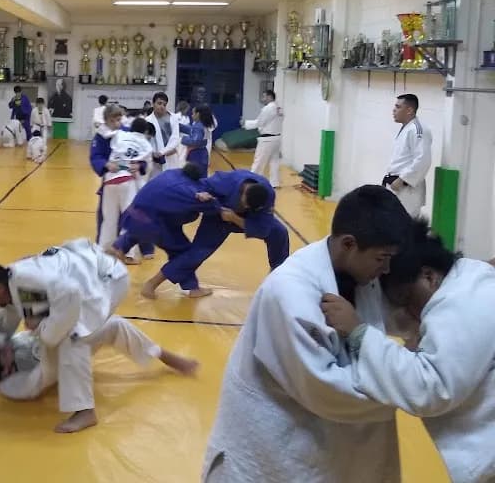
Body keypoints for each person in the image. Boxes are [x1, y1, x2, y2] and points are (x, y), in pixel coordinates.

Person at [202, 185, 412, 483]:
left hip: (322, 443)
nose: (387, 268)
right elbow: (326, 389)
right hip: (272, 443)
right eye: (382, 258)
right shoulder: (290, 293)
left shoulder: (362, 276)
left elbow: (398, 316)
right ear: (349, 244)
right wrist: (414, 385)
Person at [322, 221, 495, 483]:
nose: (408, 313)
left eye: (406, 299)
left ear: (429, 277)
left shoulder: (466, 302)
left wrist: (359, 334)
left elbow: (432, 388)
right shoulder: (467, 280)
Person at [0, 238, 198, 433]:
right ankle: (164, 355)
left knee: (71, 336)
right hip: (89, 277)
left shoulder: (21, 287)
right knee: (103, 328)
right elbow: (4, 337)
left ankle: (84, 411)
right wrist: (42, 329)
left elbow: (68, 295)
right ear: (5, 370)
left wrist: (43, 329)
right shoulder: (17, 385)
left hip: (105, 282)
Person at [0, 299, 198, 432]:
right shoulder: (18, 387)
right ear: (4, 370)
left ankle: (162, 354)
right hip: (52, 364)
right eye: (3, 353)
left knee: (112, 323)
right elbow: (51, 357)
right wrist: (43, 321)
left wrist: (12, 292)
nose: (5, 346)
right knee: (75, 341)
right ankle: (85, 412)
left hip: (45, 346)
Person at [137, 169, 289, 299]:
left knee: (279, 232)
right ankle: (152, 283)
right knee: (198, 252)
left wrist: (235, 218)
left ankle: (278, 277)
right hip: (219, 217)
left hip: (243, 219)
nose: (245, 208)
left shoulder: (267, 194)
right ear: (243, 193)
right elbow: (200, 185)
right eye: (244, 205)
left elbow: (262, 228)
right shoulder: (227, 181)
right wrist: (201, 194)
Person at [90, 105, 153, 264]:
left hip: (127, 179)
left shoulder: (125, 132)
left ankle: (130, 252)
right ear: (106, 120)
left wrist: (139, 165)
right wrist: (105, 164)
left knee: (130, 217)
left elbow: (141, 155)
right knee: (108, 218)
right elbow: (95, 157)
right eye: (113, 120)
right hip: (110, 179)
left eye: (119, 119)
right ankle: (104, 251)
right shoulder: (100, 136)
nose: (117, 123)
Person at [382, 93, 432, 218]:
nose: (394, 110)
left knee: (405, 223)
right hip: (396, 185)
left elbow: (423, 160)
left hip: (406, 189)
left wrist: (402, 180)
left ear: (409, 110)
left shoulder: (418, 130)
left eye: (398, 107)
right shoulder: (407, 128)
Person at [242, 89, 283, 188]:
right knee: (274, 162)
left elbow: (260, 122)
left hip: (267, 139)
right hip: (277, 138)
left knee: (259, 162)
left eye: (264, 97)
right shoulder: (279, 108)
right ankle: (274, 183)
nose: (262, 99)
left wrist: (245, 123)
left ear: (270, 97)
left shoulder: (268, 108)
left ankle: (252, 182)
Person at [144, 92, 181, 179]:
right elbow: (146, 141)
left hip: (171, 156)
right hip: (156, 160)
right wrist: (154, 154)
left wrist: (163, 152)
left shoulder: (173, 118)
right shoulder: (147, 121)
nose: (162, 106)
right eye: (159, 103)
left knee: (172, 180)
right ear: (153, 104)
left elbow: (175, 138)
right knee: (156, 181)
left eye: (164, 104)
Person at [180, 105, 215, 177]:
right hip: (203, 152)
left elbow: (195, 141)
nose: (192, 115)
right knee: (202, 175)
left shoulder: (198, 126)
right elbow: (191, 130)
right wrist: (179, 126)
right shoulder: (204, 124)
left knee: (194, 175)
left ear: (198, 114)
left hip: (196, 154)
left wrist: (182, 139)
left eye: (193, 113)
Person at [174, 100, 191, 165]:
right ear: (183, 108)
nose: (187, 110)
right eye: (186, 109)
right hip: (178, 138)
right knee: (178, 155)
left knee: (184, 156)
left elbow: (188, 127)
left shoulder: (187, 117)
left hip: (186, 139)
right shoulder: (175, 116)